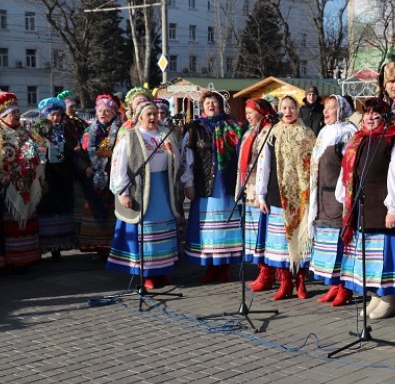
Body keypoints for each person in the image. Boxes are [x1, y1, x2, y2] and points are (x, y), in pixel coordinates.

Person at [337, 97, 395, 319]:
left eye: (374, 113)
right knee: (367, 257)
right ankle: (375, 296)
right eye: (366, 113)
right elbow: (348, 172)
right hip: (363, 207)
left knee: (382, 257)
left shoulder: (393, 139)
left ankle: (388, 299)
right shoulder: (358, 140)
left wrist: (393, 208)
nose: (369, 117)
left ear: (384, 116)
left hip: (382, 207)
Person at [107, 100, 180, 289]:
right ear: (139, 116)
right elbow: (118, 166)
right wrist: (122, 192)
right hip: (141, 190)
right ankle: (146, 274)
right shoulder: (130, 137)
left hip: (163, 189)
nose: (153, 117)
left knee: (163, 231)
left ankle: (162, 271)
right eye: (149, 114)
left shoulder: (166, 135)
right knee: (146, 233)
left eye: (155, 114)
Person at [0, 92, 44, 270]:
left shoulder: (25, 132)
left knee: (26, 222)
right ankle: (7, 262)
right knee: (5, 226)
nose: (17, 115)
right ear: (3, 115)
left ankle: (27, 258)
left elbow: (37, 155)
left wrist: (40, 174)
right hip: (4, 190)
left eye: (18, 112)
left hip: (26, 185)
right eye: (13, 113)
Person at [181, 91, 246, 283]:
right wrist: (189, 183)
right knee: (208, 229)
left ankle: (225, 266)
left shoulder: (233, 126)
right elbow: (187, 159)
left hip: (226, 185)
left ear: (221, 105)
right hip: (206, 186)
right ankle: (211, 267)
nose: (211, 106)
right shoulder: (195, 128)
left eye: (214, 102)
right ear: (203, 107)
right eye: (207, 102)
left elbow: (242, 154)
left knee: (227, 228)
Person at [256, 95, 316, 300]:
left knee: (300, 239)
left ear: (298, 110)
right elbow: (264, 166)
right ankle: (285, 283)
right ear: (279, 110)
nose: (288, 111)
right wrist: (261, 195)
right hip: (277, 194)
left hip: (300, 195)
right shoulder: (271, 133)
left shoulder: (307, 133)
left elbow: (313, 165)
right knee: (280, 244)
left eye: (292, 108)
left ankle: (301, 281)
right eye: (284, 108)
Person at [308, 95, 357, 305]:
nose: (326, 112)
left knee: (339, 244)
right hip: (321, 194)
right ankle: (333, 284)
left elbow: (349, 168)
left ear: (342, 110)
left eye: (331, 109)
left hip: (337, 197)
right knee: (326, 244)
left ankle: (344, 287)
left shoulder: (347, 133)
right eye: (325, 109)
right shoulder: (325, 131)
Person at [238, 98, 278, 291]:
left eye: (250, 112)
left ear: (261, 112)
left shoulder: (269, 131)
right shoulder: (250, 132)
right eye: (246, 113)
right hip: (249, 190)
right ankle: (263, 269)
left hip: (263, 190)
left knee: (264, 232)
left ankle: (268, 272)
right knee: (254, 232)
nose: (247, 116)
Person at [32, 97, 79, 260]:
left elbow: (72, 150)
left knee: (61, 209)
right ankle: (46, 245)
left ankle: (59, 245)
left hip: (62, 176)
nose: (55, 118)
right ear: (44, 115)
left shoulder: (64, 131)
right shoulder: (37, 133)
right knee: (46, 210)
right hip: (46, 176)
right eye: (52, 115)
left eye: (58, 115)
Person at [78, 94, 122, 255]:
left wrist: (112, 156)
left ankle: (113, 246)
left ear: (114, 112)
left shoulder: (121, 129)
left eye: (107, 111)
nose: (103, 114)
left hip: (114, 175)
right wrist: (85, 167)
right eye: (100, 111)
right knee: (95, 210)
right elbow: (80, 152)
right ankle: (97, 247)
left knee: (113, 213)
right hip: (94, 175)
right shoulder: (90, 130)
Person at [57, 90, 89, 236]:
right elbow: (67, 143)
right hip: (71, 163)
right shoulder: (62, 124)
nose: (74, 109)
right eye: (71, 107)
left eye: (75, 106)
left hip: (82, 161)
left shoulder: (80, 122)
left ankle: (80, 228)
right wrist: (76, 149)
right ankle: (74, 229)